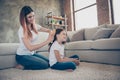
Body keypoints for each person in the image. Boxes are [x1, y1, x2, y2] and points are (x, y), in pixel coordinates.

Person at [16, 6, 54, 70]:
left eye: (33, 16)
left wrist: (50, 32)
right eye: (30, 17)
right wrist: (47, 41)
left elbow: (48, 30)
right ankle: (22, 66)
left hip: (32, 54)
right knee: (44, 65)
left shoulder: (34, 26)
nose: (32, 18)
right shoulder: (22, 30)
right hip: (22, 56)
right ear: (24, 18)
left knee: (49, 62)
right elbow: (30, 48)